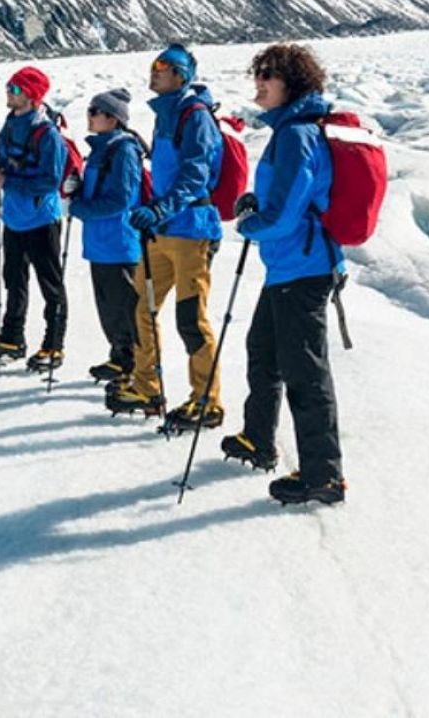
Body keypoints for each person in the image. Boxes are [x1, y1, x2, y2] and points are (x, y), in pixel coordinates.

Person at [223, 42, 347, 506]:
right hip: (290, 266)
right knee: (264, 351)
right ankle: (259, 438)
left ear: (291, 84)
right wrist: (255, 206)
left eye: (268, 76)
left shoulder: (296, 135)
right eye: (258, 74)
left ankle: (323, 475)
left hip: (303, 267)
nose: (258, 84)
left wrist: (249, 223)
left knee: (305, 372)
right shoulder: (290, 131)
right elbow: (285, 199)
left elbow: (284, 214)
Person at [106, 43, 226, 432]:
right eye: (154, 64)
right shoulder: (165, 115)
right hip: (163, 232)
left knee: (190, 318)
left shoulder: (195, 116)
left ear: (181, 75)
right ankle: (147, 388)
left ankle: (206, 401)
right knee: (140, 308)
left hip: (191, 231)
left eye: (163, 66)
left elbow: (195, 175)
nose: (154, 70)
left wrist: (160, 210)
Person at [0, 65, 69, 369]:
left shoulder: (48, 135)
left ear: (31, 96)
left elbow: (50, 181)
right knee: (14, 279)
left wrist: (8, 181)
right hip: (16, 217)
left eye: (15, 88)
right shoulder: (10, 126)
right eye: (9, 86)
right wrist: (0, 172)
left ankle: (53, 345)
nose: (9, 92)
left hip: (41, 219)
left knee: (50, 285)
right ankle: (12, 337)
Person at [68, 88, 144, 384]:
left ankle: (133, 364)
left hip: (118, 242)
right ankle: (120, 358)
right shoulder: (103, 149)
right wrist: (79, 192)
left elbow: (121, 200)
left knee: (123, 308)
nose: (89, 116)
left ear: (113, 119)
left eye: (95, 112)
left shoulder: (122, 150)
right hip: (102, 243)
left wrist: (80, 208)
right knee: (110, 308)